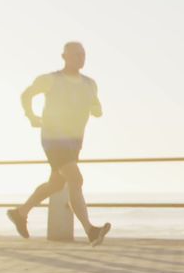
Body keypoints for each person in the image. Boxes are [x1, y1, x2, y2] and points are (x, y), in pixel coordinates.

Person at [6, 42, 111, 246]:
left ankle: (20, 213)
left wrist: (96, 109)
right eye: (75, 55)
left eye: (83, 55)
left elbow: (96, 105)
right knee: (75, 179)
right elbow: (26, 95)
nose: (80, 58)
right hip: (54, 139)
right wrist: (31, 116)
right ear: (64, 56)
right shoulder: (51, 79)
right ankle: (90, 230)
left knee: (56, 184)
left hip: (74, 141)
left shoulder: (90, 84)